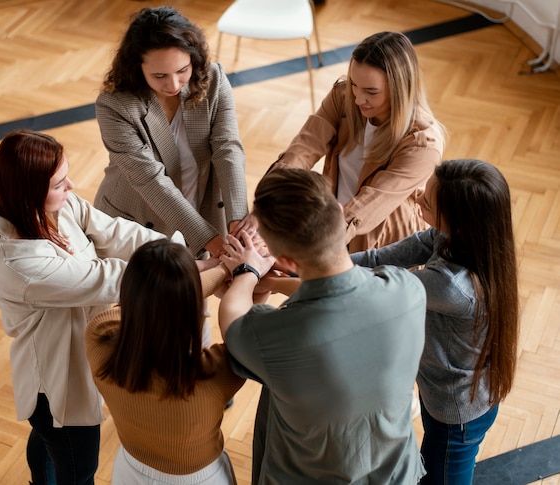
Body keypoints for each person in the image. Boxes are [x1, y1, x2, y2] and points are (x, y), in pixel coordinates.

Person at [218, 168, 427, 484]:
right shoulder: (407, 290)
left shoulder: (276, 336)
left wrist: (249, 271)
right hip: (396, 473)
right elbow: (343, 286)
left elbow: (233, 319)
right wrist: (276, 281)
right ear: (340, 212)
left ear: (286, 259)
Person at [0, 129, 167, 484]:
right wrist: (180, 267)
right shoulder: (20, 264)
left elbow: (116, 232)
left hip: (72, 364)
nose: (71, 186)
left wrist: (171, 249)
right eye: (59, 183)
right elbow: (104, 278)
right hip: (56, 386)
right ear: (29, 191)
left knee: (49, 442)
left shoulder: (55, 205)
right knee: (78, 470)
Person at [350, 159, 519, 484]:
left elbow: (376, 285)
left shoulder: (451, 286)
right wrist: (308, 263)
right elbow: (377, 260)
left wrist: (306, 266)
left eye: (426, 201)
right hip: (454, 398)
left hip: (455, 416)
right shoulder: (459, 241)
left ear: (456, 222)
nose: (416, 195)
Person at [93, 6, 252, 259]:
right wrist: (213, 242)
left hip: (200, 209)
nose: (174, 85)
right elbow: (150, 180)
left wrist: (238, 222)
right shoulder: (114, 106)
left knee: (197, 295)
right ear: (137, 68)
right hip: (135, 221)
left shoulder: (214, 79)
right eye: (159, 75)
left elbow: (227, 148)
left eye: (182, 71)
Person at [85, 239, 245, 485]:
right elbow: (245, 333)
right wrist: (242, 273)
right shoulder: (215, 373)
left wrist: (220, 269)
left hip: (129, 471)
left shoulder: (99, 339)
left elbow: (148, 304)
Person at [271, 31, 445, 253]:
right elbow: (305, 147)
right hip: (331, 224)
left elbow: (372, 200)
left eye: (371, 92)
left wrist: (317, 239)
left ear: (400, 89)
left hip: (382, 245)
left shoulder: (423, 144)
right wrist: (271, 197)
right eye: (354, 84)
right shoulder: (342, 97)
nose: (357, 99)